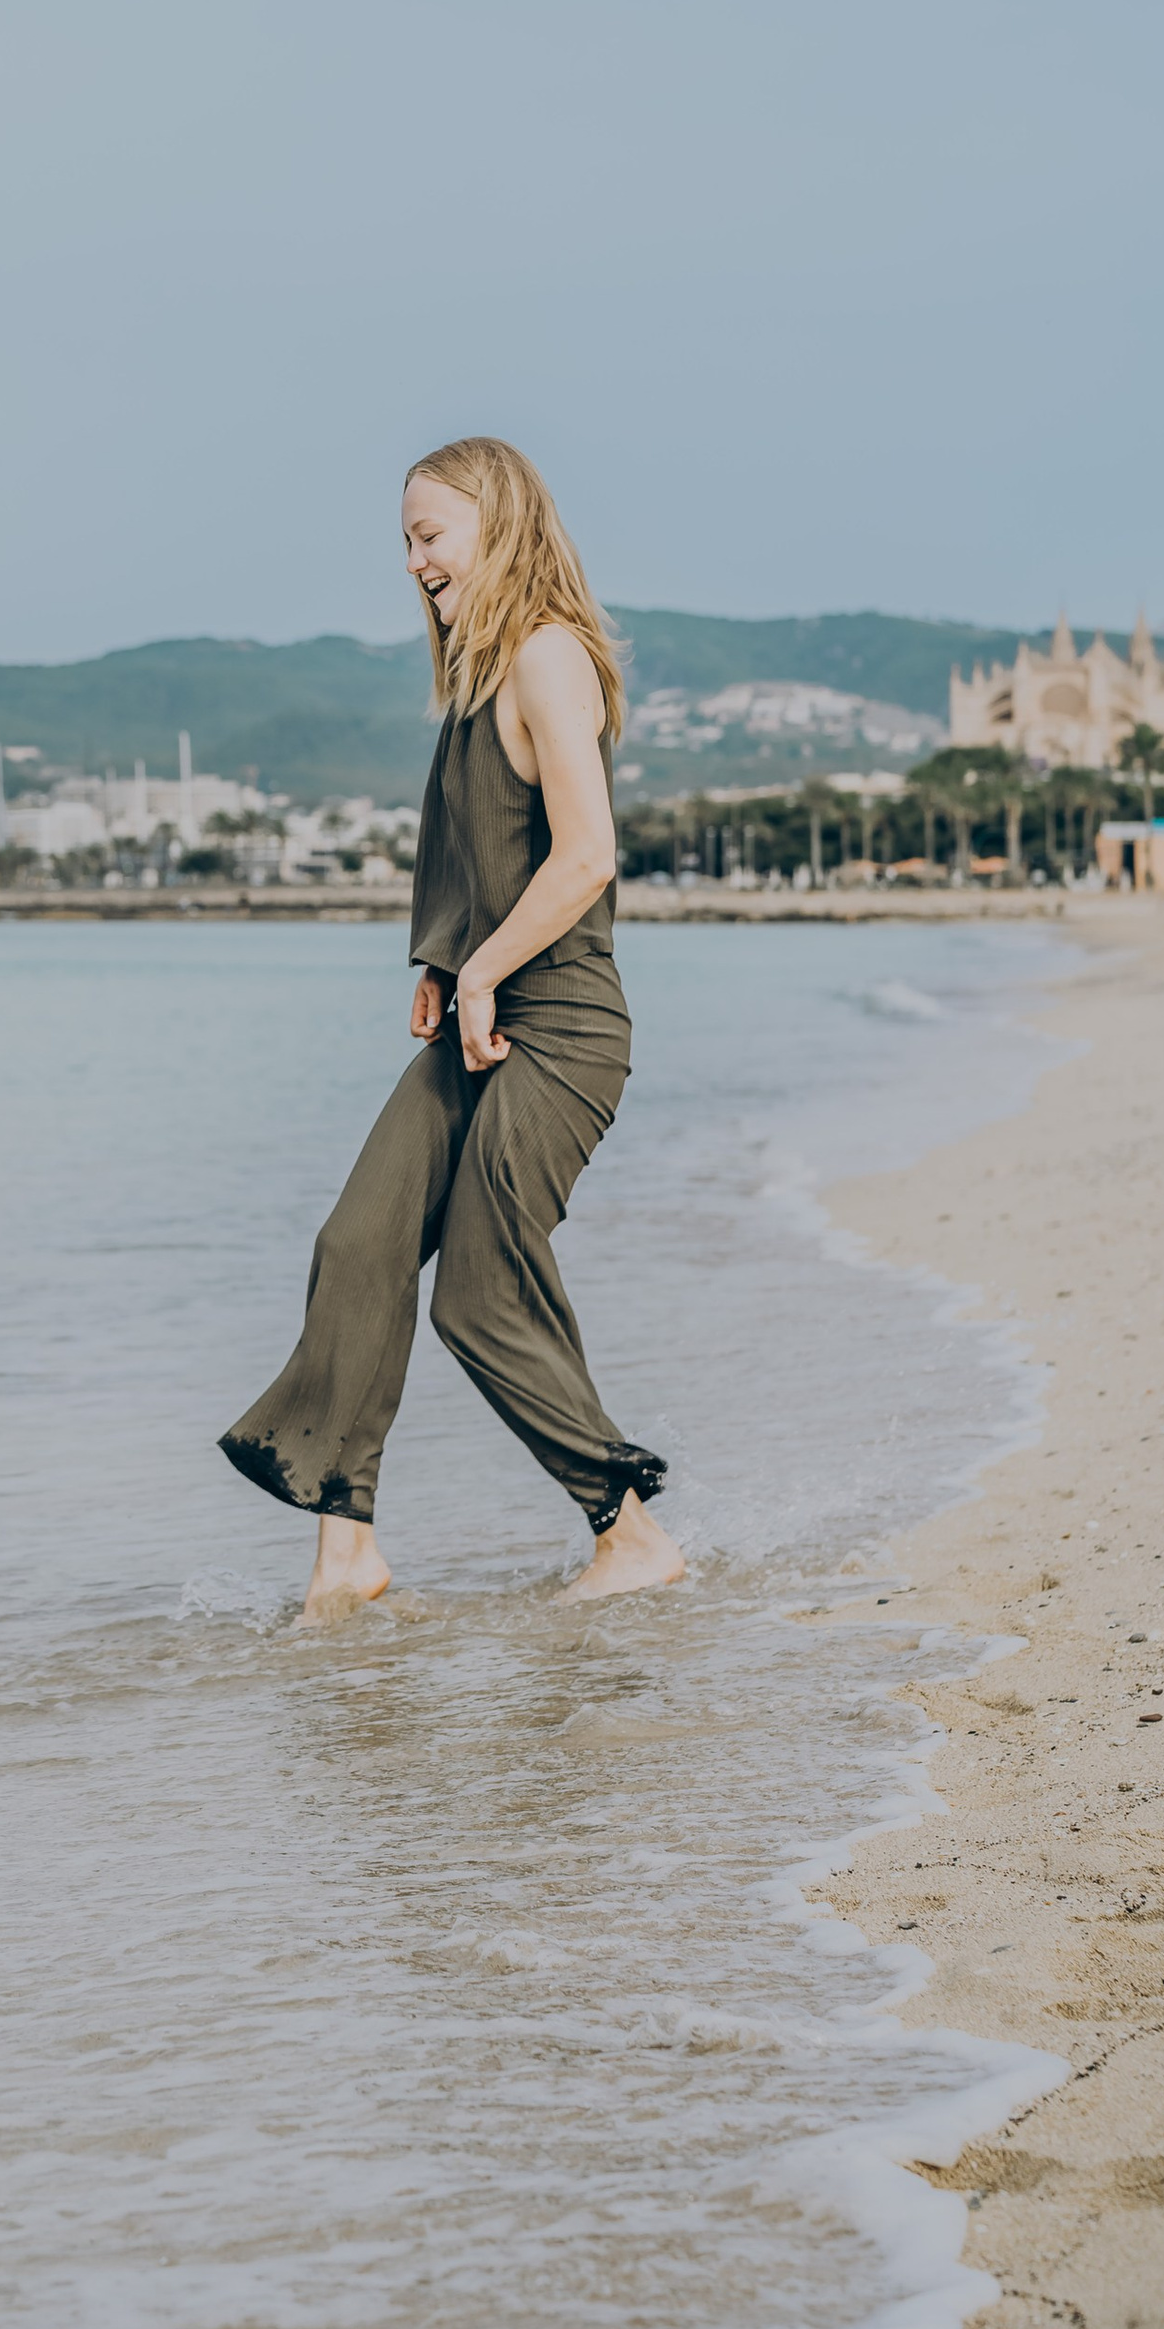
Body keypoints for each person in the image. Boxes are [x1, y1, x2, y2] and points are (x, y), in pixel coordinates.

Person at [219, 437, 684, 1613]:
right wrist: (445, 963)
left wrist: (480, 972)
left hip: (560, 1029)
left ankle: (627, 1535)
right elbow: (488, 850)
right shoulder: (475, 679)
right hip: (479, 1018)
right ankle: (348, 1553)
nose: (415, 560)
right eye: (406, 543)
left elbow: (585, 857)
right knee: (358, 1246)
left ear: (499, 521)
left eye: (430, 534)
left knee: (479, 1290)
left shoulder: (545, 658)